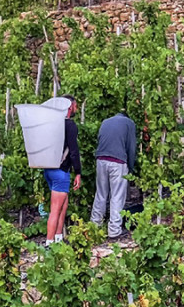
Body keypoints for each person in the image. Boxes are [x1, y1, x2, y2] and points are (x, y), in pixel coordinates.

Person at [90, 111, 137, 239]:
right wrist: (131, 168)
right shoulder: (129, 123)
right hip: (118, 161)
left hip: (101, 160)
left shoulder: (105, 121)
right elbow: (131, 147)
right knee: (117, 196)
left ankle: (94, 226)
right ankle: (114, 230)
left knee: (100, 194)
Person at [44, 100, 82, 244]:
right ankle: (49, 243)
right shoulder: (70, 125)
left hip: (49, 169)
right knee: (55, 209)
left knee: (62, 205)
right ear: (69, 107)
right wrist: (78, 172)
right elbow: (73, 151)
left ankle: (59, 238)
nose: (76, 108)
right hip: (61, 171)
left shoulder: (52, 124)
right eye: (75, 105)